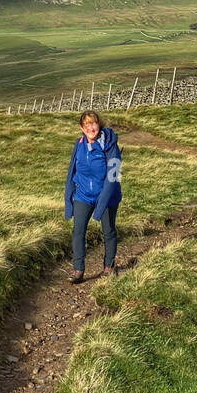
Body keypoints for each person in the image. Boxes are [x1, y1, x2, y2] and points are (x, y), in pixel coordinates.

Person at [64, 109, 122, 283]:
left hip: (108, 195)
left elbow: (112, 178)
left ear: (99, 124)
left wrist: (101, 206)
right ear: (82, 128)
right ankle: (78, 270)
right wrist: (68, 199)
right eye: (87, 124)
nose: (91, 127)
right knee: (78, 231)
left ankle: (108, 267)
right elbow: (71, 171)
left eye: (93, 123)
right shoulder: (79, 144)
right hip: (83, 195)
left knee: (108, 231)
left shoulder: (111, 145)